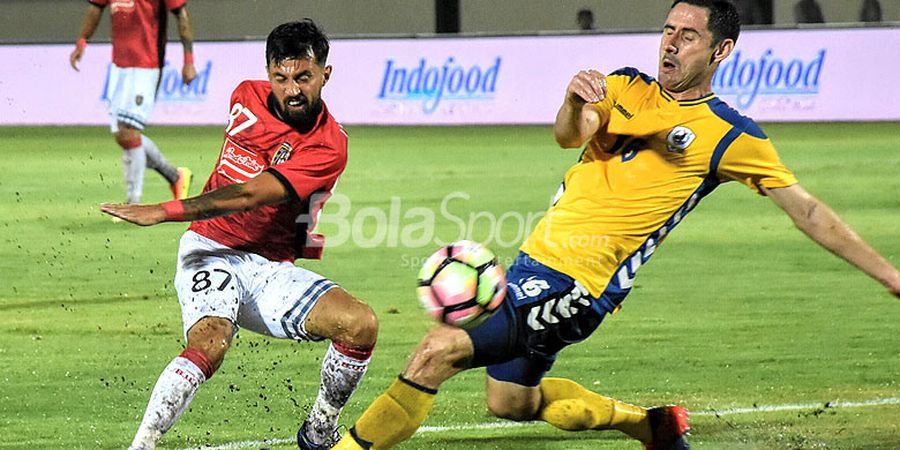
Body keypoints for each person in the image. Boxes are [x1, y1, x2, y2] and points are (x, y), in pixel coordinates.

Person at [333, 1, 900, 449]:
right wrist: (570, 97)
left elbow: (807, 210)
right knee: (510, 402)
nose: (671, 42)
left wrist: (890, 277)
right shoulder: (625, 86)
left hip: (580, 285)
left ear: (722, 49)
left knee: (437, 350)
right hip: (536, 262)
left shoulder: (731, 134)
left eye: (689, 35)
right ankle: (651, 426)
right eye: (668, 29)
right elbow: (570, 133)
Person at [100, 20, 379, 450]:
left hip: (269, 269)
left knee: (361, 325)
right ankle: (143, 444)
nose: (292, 90)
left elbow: (250, 194)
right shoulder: (243, 96)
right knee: (210, 342)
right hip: (208, 250)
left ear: (326, 74)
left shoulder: (329, 145)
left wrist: (164, 210)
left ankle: (319, 430)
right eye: (281, 77)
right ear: (268, 73)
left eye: (304, 77)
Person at [70, 0, 195, 205]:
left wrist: (189, 61)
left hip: (147, 65)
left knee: (128, 130)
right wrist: (82, 41)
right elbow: (95, 9)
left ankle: (133, 202)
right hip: (120, 66)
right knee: (122, 135)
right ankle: (175, 177)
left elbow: (181, 15)